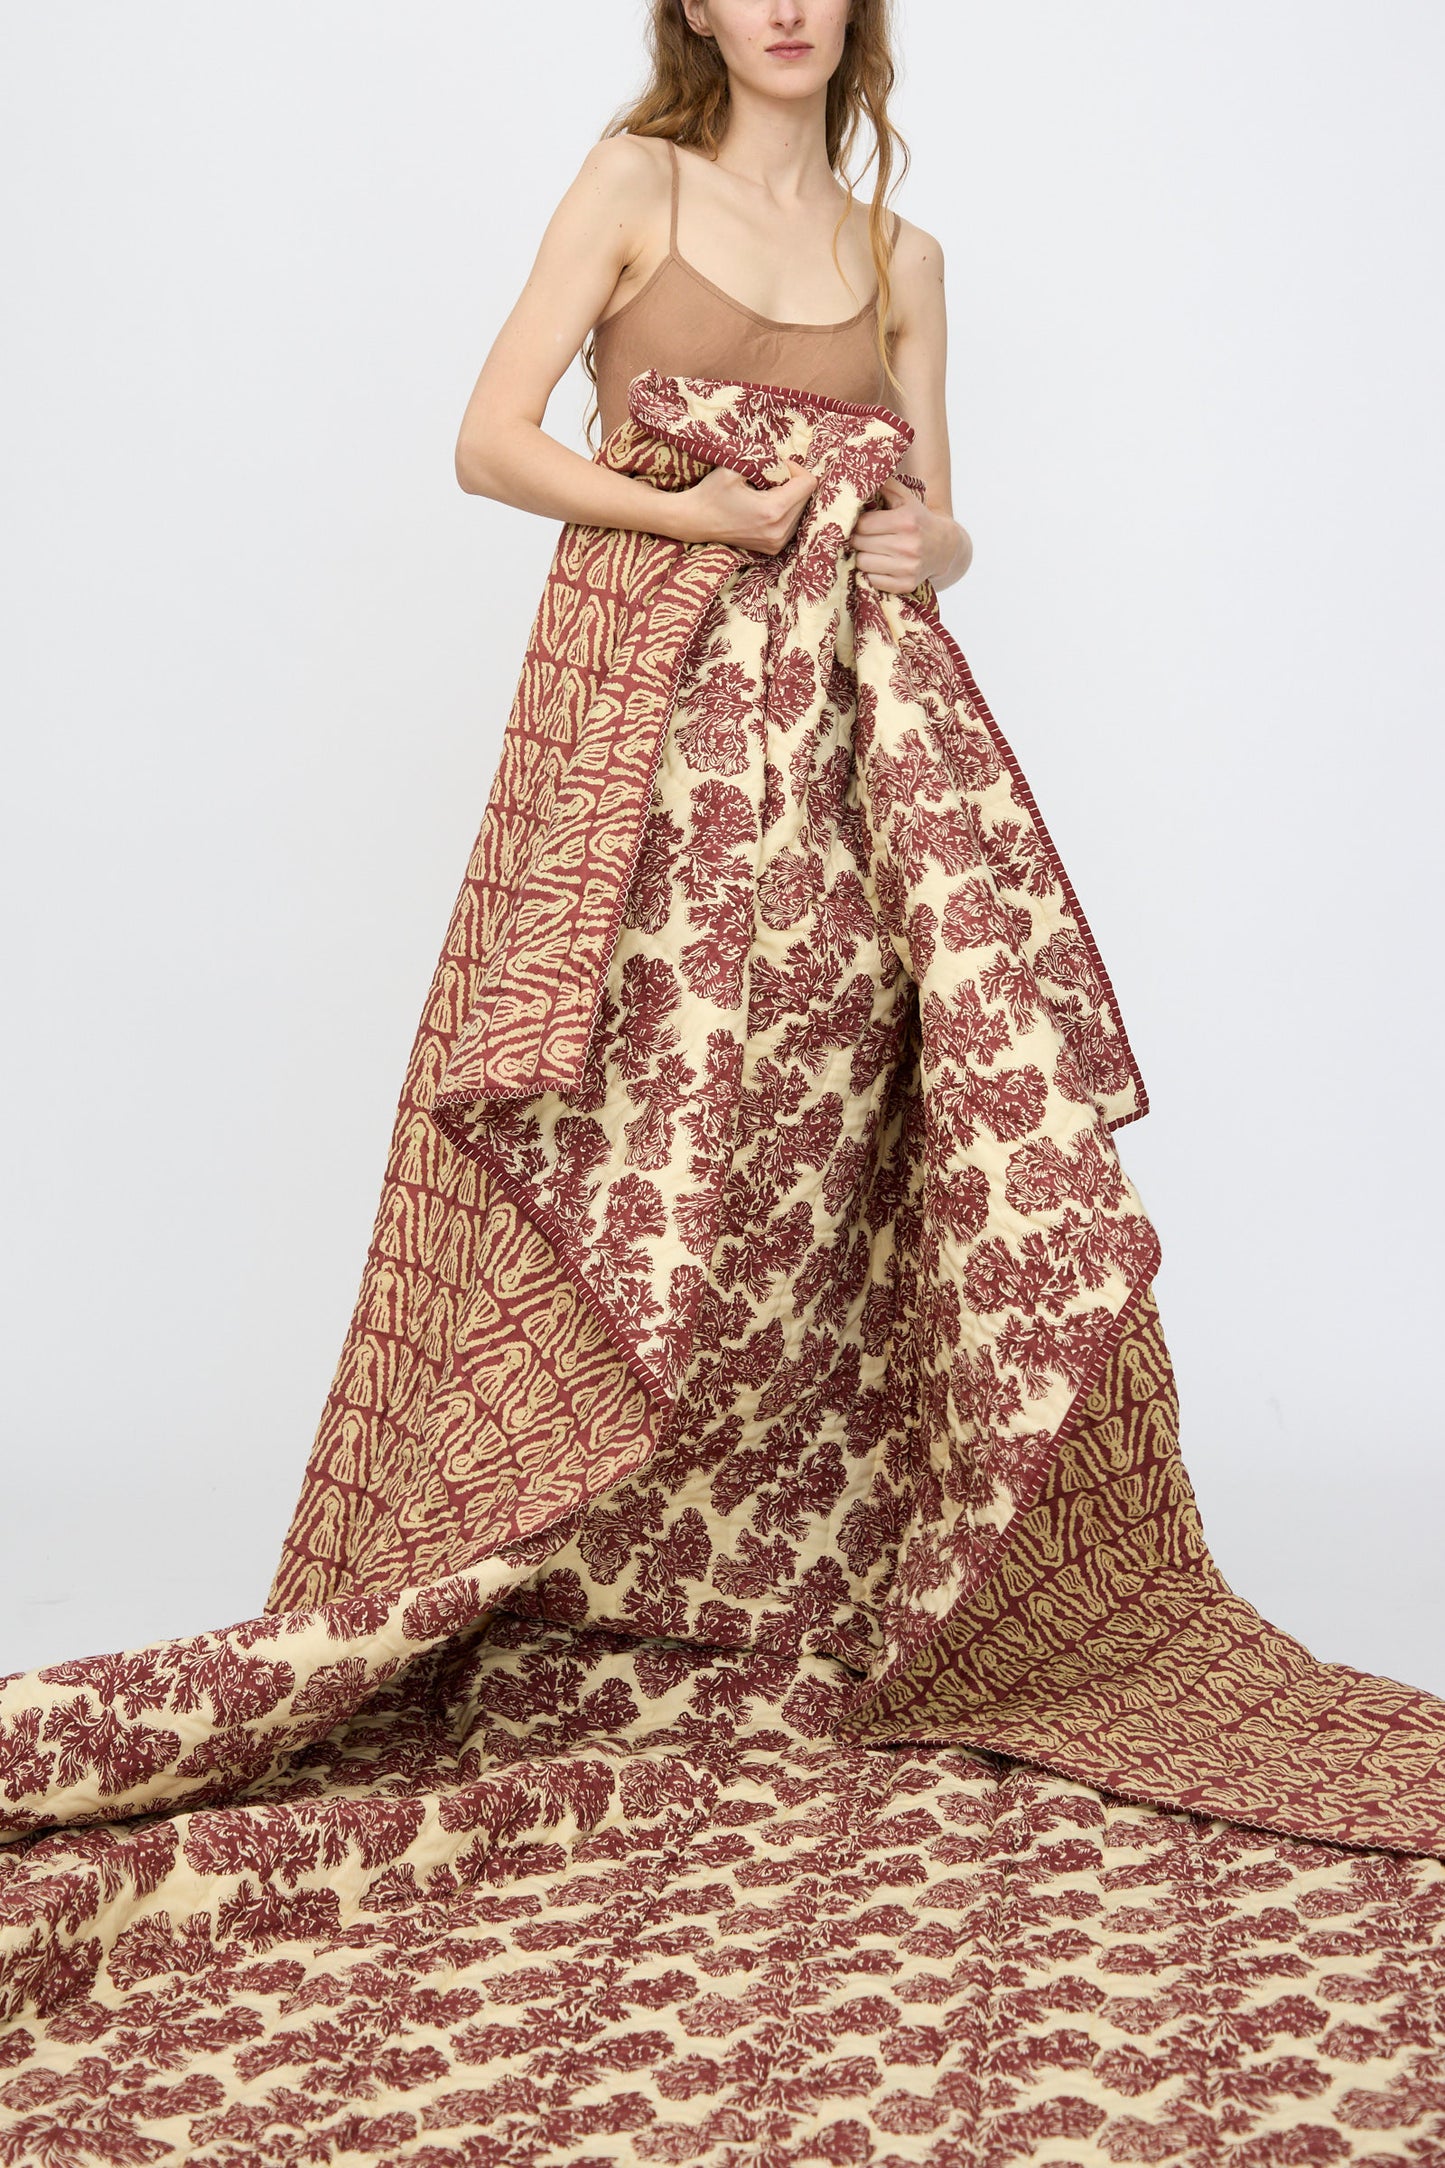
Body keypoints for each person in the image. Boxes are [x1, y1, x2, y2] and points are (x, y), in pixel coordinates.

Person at [2, 6, 1443, 2161]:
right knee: (646, 1163)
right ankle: (580, 1574)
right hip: (653, 776)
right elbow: (493, 443)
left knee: (826, 1176)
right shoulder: (630, 186)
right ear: (690, 6)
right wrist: (720, 513)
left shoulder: (903, 252)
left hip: (864, 778)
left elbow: (951, 522)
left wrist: (909, 549)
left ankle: (826, 1596)